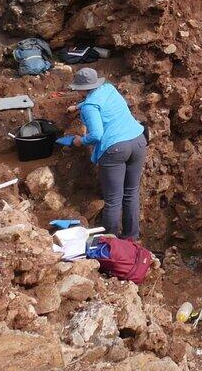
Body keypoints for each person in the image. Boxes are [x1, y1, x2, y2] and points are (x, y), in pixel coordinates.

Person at [57, 67, 148, 241]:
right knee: (131, 192)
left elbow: (97, 135)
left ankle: (110, 245)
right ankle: (132, 239)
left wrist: (79, 141)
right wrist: (77, 106)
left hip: (115, 149)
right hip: (137, 140)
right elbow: (98, 101)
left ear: (82, 88)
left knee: (113, 200)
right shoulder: (108, 88)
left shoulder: (90, 107)